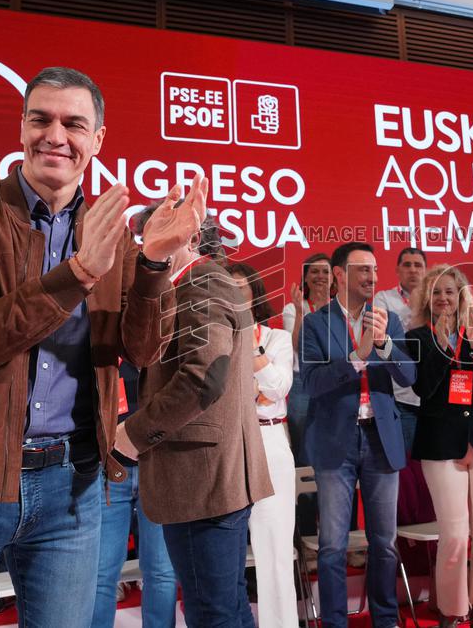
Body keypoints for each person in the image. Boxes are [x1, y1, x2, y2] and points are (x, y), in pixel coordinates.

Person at [0, 67, 207, 628]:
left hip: (72, 488)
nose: (55, 135)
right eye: (41, 119)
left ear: (97, 140)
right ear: (22, 127)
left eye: (73, 124)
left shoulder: (111, 232)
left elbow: (141, 352)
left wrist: (154, 264)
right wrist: (80, 272)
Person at [115, 213, 273, 627]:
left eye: (147, 236)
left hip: (200, 478)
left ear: (188, 237)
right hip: (210, 477)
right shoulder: (197, 282)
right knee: (226, 606)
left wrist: (133, 435)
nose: (140, 247)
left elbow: (204, 377)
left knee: (211, 611)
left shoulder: (201, 281)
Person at [300, 241, 416, 628]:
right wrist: (355, 359)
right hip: (337, 442)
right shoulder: (316, 323)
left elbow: (409, 375)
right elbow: (312, 384)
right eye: (363, 270)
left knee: (383, 542)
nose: (372, 277)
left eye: (374, 270)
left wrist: (381, 345)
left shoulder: (389, 321)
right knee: (333, 545)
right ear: (338, 275)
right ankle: (334, 622)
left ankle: (385, 618)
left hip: (382, 439)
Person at [406, 265, 473, 628]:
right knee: (454, 536)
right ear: (428, 298)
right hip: (441, 443)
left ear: (462, 295)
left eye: (450, 291)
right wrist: (440, 342)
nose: (444, 298)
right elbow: (425, 388)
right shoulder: (417, 337)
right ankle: (453, 611)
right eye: (436, 292)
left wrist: (470, 341)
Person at [228, 261, 299, 628]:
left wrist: (253, 354)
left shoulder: (277, 338)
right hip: (225, 444)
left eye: (243, 288)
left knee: (275, 554)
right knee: (226, 555)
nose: (237, 296)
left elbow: (277, 389)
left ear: (255, 293)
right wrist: (256, 383)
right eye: (229, 288)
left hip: (269, 441)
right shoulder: (210, 339)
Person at [91, 360, 177, 628]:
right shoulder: (103, 347)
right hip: (111, 472)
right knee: (102, 575)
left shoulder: (166, 349)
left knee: (162, 572)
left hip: (159, 469)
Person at [373, 248, 426, 452]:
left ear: (425, 270)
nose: (413, 270)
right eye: (407, 265)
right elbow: (385, 338)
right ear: (397, 269)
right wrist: (416, 307)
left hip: (433, 393)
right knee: (406, 460)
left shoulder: (437, 299)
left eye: (418, 265)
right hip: (402, 393)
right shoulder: (383, 298)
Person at [282, 253, 333, 465]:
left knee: (332, 442)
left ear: (334, 278)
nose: (320, 276)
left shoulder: (341, 309)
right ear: (305, 277)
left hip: (334, 382)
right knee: (303, 444)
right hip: (302, 383)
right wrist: (302, 314)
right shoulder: (292, 308)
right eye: (314, 271)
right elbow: (297, 346)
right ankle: (305, 498)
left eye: (325, 271)